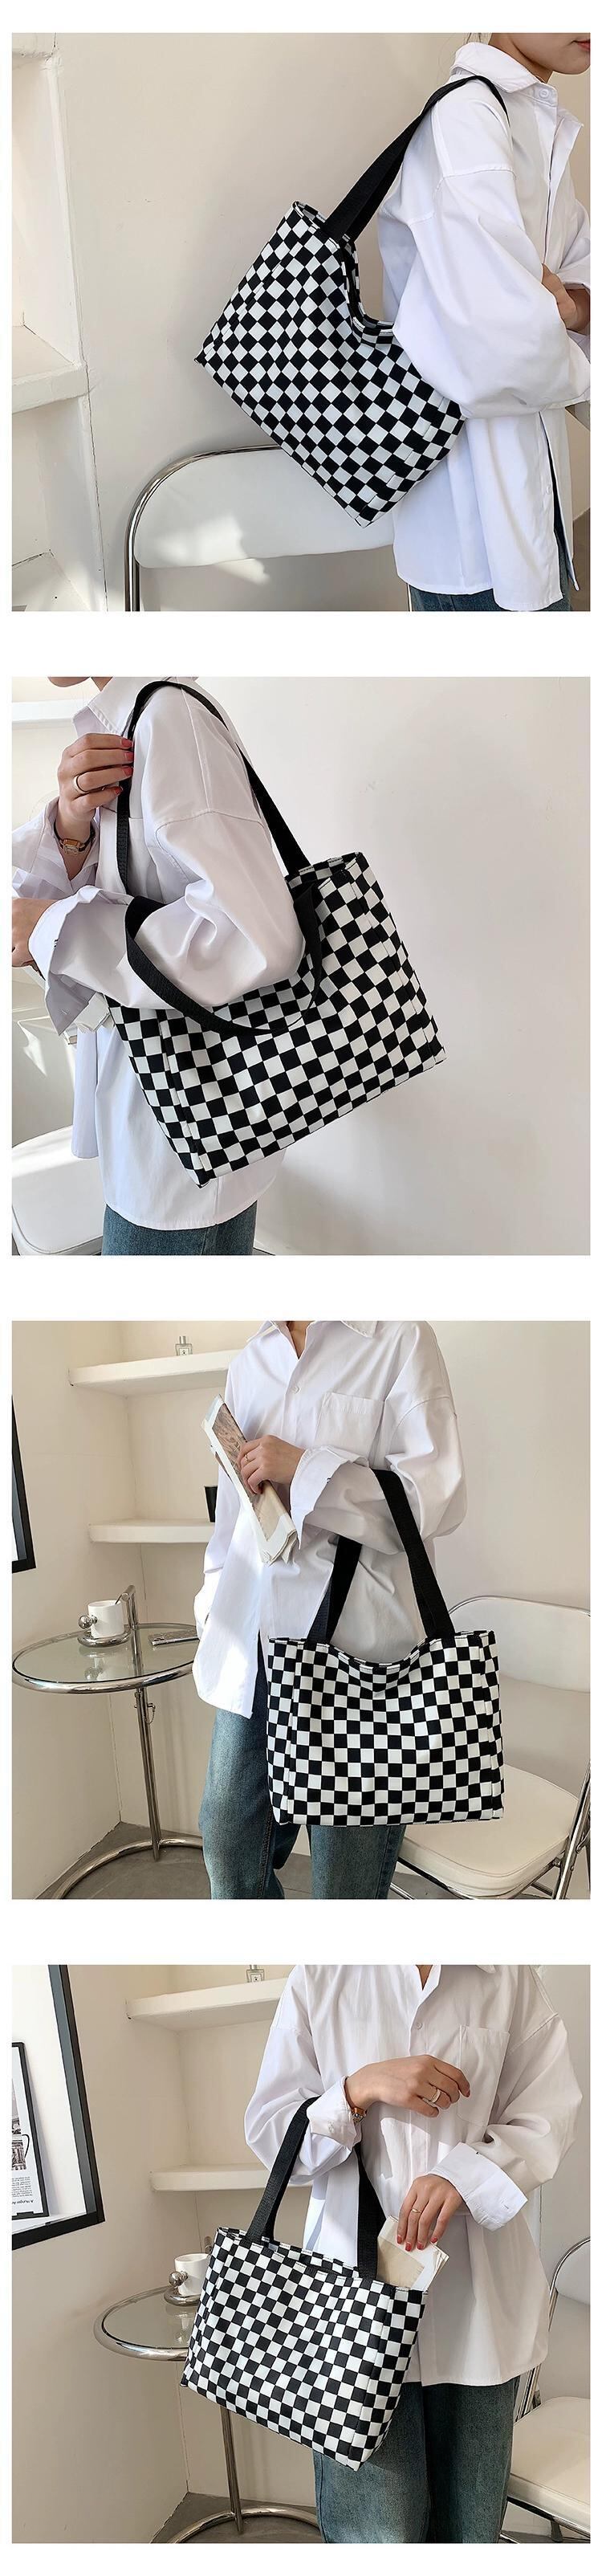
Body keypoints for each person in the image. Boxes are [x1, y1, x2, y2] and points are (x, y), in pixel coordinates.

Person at [246, 1963, 583, 2542]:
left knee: (470, 2529)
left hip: (479, 2311)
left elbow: (548, 2116)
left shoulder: (506, 1975)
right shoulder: (323, 1975)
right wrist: (356, 2089)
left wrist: (466, 2176)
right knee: (375, 2533)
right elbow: (274, 2140)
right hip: (351, 2309)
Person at [11, 677, 303, 1255]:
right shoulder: (133, 719)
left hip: (183, 1133)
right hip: (168, 1118)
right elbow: (146, 886)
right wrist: (72, 828)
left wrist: (56, 926)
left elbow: (249, 934)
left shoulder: (169, 718)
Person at [193, 1320, 466, 1900]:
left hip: (359, 1664)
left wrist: (308, 1466)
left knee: (344, 1889)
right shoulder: (249, 1362)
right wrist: (213, 1603)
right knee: (228, 1843)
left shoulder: (399, 1338)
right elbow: (233, 1515)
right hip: (254, 1648)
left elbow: (433, 1501)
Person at [378, 34, 591, 611]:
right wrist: (567, 335)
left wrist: (570, 309)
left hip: (527, 502)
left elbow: (577, 273)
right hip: (473, 530)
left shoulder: (529, 115)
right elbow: (503, 342)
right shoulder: (468, 117)